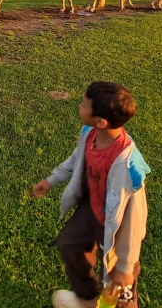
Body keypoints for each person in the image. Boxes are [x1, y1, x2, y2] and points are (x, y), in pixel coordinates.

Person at [32, 82, 150, 308]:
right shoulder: (89, 133)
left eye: (85, 105)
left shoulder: (129, 167)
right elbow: (77, 159)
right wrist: (52, 180)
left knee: (119, 282)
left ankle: (126, 303)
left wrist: (125, 266)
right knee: (69, 244)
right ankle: (86, 299)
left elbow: (135, 222)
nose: (79, 106)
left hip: (116, 224)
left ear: (101, 121)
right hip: (92, 208)